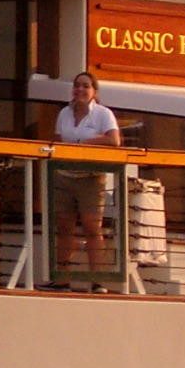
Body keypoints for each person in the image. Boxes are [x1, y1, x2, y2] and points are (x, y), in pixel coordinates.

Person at [53, 71, 123, 283]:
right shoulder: (64, 113)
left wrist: (85, 143)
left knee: (92, 227)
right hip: (64, 175)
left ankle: (97, 280)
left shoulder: (103, 114)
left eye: (85, 86)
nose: (80, 89)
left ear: (94, 91)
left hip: (91, 177)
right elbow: (58, 141)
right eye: (77, 85)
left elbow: (114, 140)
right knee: (64, 227)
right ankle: (62, 279)